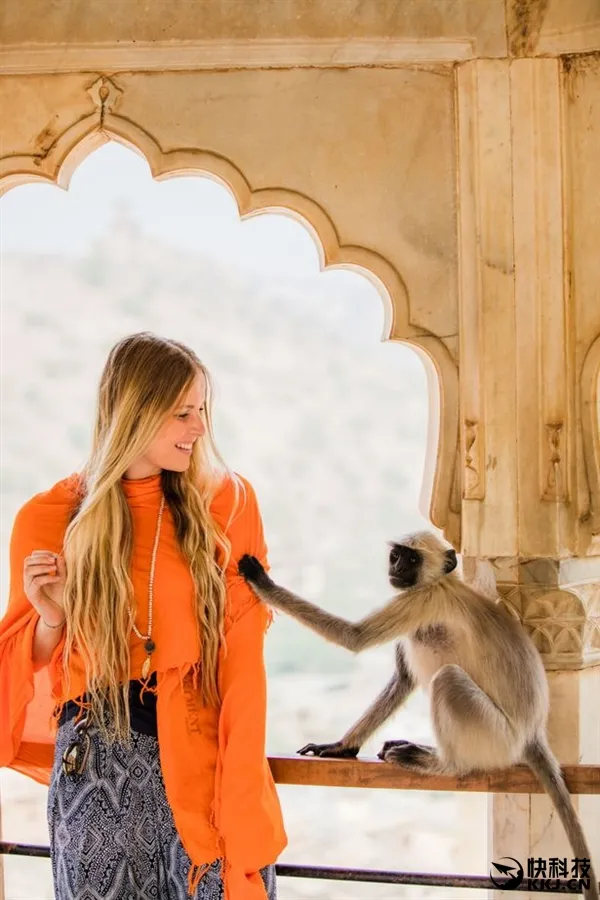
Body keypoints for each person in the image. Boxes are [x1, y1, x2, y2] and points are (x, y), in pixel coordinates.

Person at [0, 332, 287, 900]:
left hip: (205, 758)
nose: (200, 428)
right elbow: (19, 667)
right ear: (134, 412)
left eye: (202, 410)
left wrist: (240, 783)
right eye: (183, 413)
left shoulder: (226, 503)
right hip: (97, 769)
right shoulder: (49, 517)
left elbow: (244, 655)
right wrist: (53, 619)